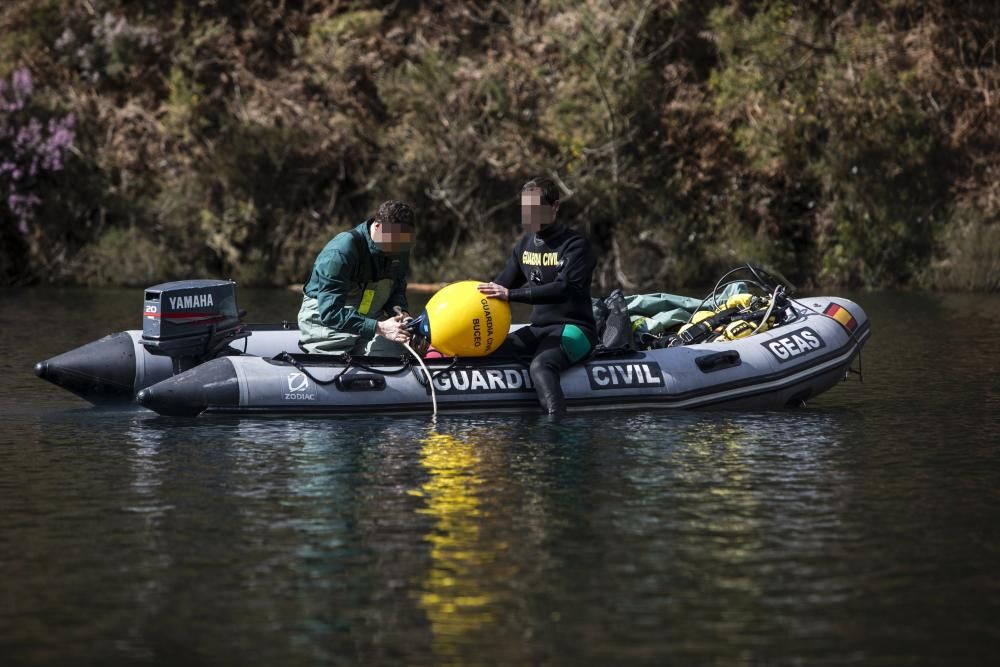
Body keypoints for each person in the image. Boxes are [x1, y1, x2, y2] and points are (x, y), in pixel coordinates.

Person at [478, 177, 597, 414]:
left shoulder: (576, 246)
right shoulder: (524, 245)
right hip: (539, 329)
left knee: (541, 366)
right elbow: (500, 286)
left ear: (554, 207)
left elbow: (564, 289)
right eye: (526, 209)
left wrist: (511, 295)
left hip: (575, 330)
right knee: (487, 351)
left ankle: (556, 434)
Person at [298, 200, 415, 355]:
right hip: (327, 321)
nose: (397, 248)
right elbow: (330, 313)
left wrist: (402, 315)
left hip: (371, 317)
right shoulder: (340, 252)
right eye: (393, 240)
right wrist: (379, 328)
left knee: (405, 352)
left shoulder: (400, 248)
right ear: (378, 226)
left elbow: (397, 290)